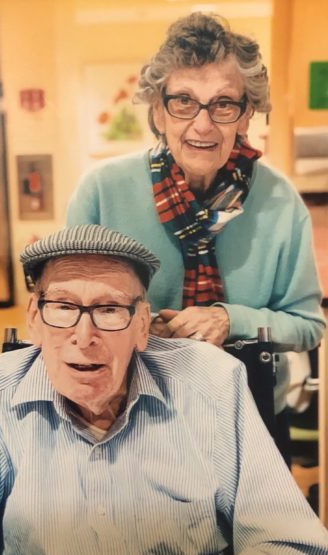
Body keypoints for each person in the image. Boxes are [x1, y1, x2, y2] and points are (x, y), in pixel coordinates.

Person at [0, 224, 327, 555]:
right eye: (63, 307)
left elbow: (293, 548)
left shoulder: (212, 382)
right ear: (35, 318)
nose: (84, 338)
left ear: (142, 325)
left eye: (109, 310)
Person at [66, 12, 326, 465]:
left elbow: (309, 326)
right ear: (157, 111)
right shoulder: (101, 192)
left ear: (246, 115)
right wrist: (133, 326)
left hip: (250, 417)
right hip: (125, 417)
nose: (203, 126)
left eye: (223, 104)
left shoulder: (281, 203)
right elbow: (67, 319)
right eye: (183, 101)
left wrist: (229, 319)